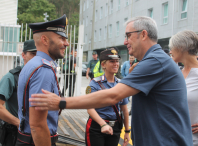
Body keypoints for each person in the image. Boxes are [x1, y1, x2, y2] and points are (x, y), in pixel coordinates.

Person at [30, 16, 193, 146]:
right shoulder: (154, 61)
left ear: (143, 34)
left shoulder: (155, 62)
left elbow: (113, 97)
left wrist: (61, 102)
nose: (125, 41)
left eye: (128, 35)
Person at [16, 15, 69, 146]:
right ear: (45, 40)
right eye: (61, 38)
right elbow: (37, 125)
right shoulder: (43, 69)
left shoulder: (34, 63)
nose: (66, 43)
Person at [85, 48, 130, 146]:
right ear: (103, 65)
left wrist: (127, 131)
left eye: (117, 61)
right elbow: (90, 108)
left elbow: (124, 110)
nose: (115, 64)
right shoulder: (94, 83)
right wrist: (103, 124)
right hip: (97, 128)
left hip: (115, 128)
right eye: (112, 61)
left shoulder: (121, 84)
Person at [0, 39, 37, 146]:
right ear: (23, 55)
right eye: (32, 54)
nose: (36, 57)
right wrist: (18, 123)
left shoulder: (42, 77)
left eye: (38, 54)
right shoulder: (11, 77)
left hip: (37, 132)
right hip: (15, 134)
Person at [169, 30, 198, 146]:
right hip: (175, 139)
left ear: (181, 47)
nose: (170, 51)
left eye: (172, 48)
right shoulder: (177, 73)